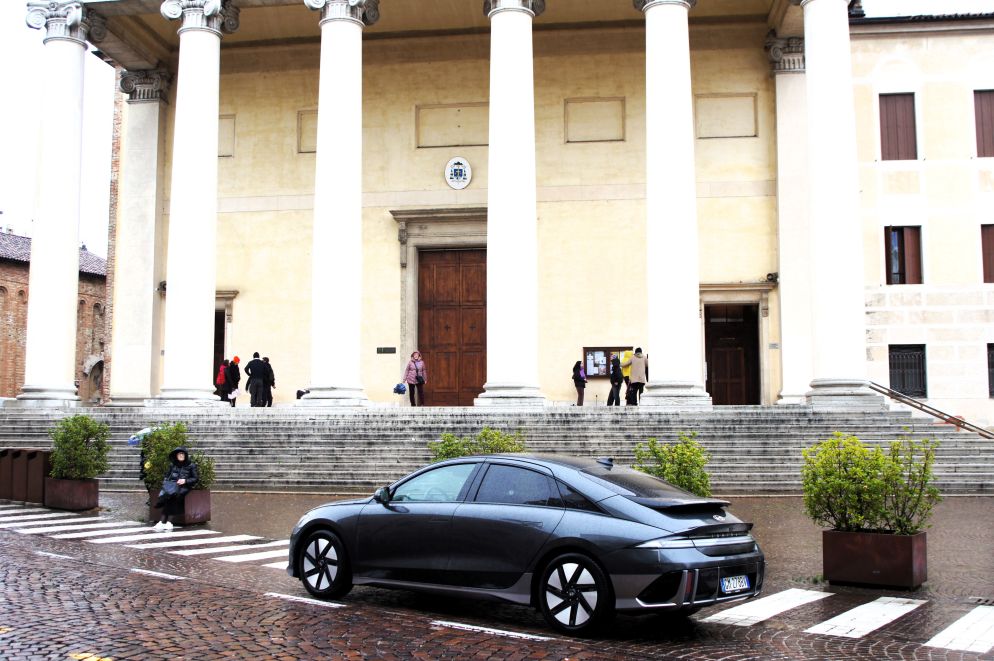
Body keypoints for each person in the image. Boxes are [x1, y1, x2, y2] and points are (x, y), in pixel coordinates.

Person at [154, 447, 199, 531]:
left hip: (184, 486)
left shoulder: (191, 465)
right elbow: (167, 476)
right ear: (176, 456)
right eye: (179, 454)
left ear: (185, 455)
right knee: (169, 497)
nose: (181, 456)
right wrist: (165, 483)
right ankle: (163, 522)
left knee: (174, 497)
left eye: (182, 454)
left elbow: (195, 478)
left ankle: (168, 522)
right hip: (172, 486)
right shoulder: (173, 465)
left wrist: (185, 480)